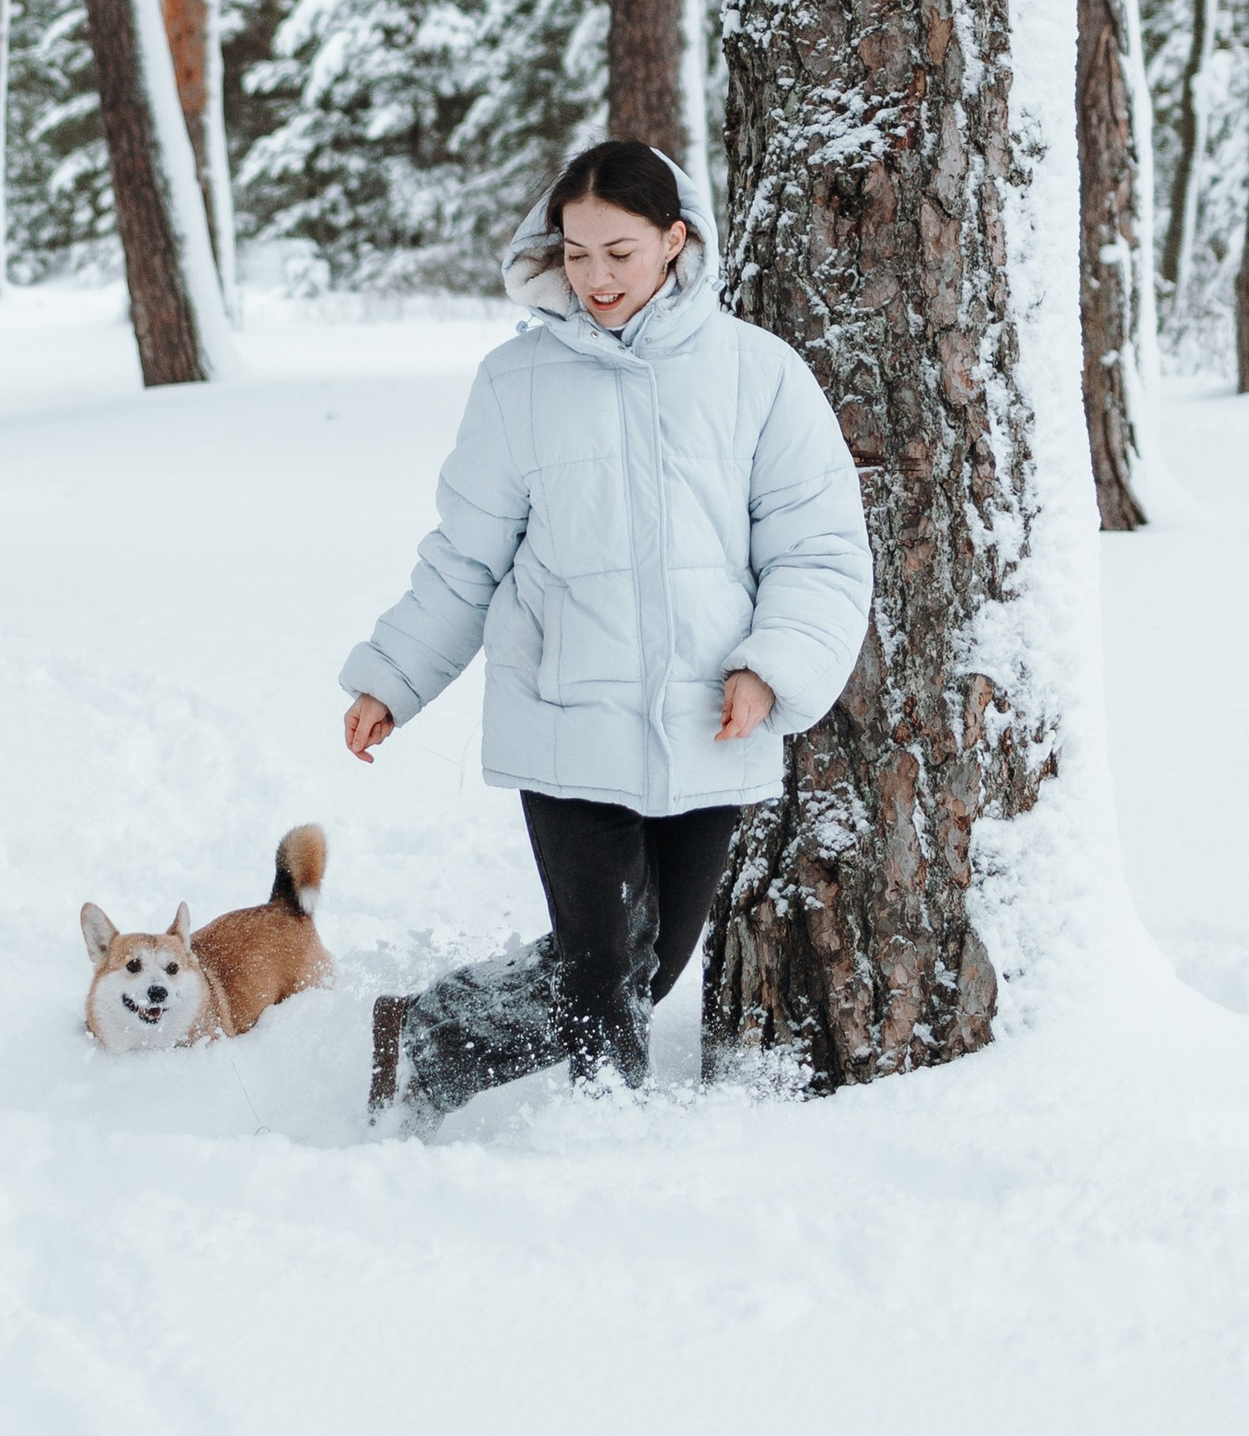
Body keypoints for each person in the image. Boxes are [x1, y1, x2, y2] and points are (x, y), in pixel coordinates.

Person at [342, 137, 871, 1119]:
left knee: (649, 968)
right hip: (562, 710)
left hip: (707, 718)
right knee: (599, 976)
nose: (594, 278)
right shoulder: (516, 383)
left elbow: (821, 547)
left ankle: (428, 1037)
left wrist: (771, 666)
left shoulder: (758, 374)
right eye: (576, 253)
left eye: (618, 253)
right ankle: (604, 1153)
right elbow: (467, 556)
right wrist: (393, 678)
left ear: (675, 241)